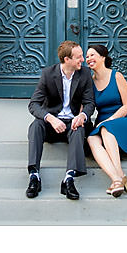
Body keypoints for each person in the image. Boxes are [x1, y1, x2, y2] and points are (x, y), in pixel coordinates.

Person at [26, 40, 95, 200]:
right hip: (52, 124)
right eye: (78, 57)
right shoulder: (48, 74)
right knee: (36, 125)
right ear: (67, 60)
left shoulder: (84, 74)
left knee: (79, 129)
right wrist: (50, 118)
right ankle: (34, 176)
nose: (82, 60)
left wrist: (82, 116)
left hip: (72, 124)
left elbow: (90, 103)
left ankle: (69, 179)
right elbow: (33, 104)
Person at [85, 44, 127, 197]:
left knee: (106, 130)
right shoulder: (90, 82)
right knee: (92, 139)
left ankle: (119, 175)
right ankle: (117, 178)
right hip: (103, 122)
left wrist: (111, 119)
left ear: (103, 57)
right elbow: (85, 106)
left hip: (123, 119)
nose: (88, 59)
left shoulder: (117, 76)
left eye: (92, 55)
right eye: (87, 57)